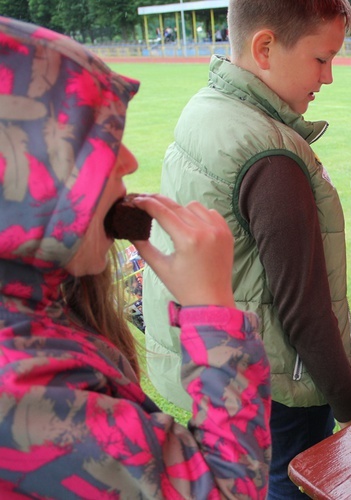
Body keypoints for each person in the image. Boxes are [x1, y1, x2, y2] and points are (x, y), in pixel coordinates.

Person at [0, 16, 272, 498]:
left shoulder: (41, 300)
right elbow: (225, 491)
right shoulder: (19, 389)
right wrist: (213, 310)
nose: (126, 161)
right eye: (91, 147)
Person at [140, 1, 351, 498]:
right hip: (280, 391)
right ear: (264, 48)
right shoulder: (271, 155)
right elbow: (303, 310)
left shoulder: (207, 104)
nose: (328, 77)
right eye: (320, 59)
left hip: (227, 377)